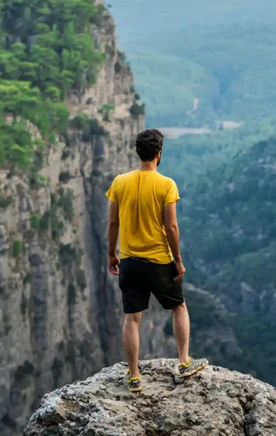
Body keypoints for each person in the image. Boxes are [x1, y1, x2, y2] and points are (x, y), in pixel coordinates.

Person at [106, 128, 207, 392]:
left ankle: (134, 375)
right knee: (179, 307)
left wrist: (111, 253)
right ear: (159, 154)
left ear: (138, 152)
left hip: (129, 261)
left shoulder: (119, 183)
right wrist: (178, 260)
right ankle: (184, 362)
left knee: (132, 317)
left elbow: (113, 222)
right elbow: (171, 227)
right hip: (160, 260)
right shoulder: (166, 185)